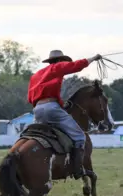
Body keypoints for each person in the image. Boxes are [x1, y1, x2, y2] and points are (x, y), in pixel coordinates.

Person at [28, 50, 102, 180]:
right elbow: (77, 65)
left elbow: (30, 98)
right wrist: (93, 58)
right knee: (80, 136)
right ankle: (78, 169)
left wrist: (60, 104)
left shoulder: (36, 75)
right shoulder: (57, 67)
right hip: (51, 108)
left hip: (37, 109)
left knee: (34, 135)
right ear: (59, 60)